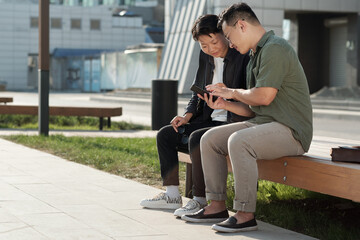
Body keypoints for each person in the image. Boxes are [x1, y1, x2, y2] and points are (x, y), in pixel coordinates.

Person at [181, 3, 313, 233]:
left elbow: (263, 96)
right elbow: (253, 109)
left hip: (291, 131)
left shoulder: (275, 48)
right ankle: (217, 205)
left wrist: (232, 91)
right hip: (263, 123)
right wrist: (225, 103)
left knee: (239, 141)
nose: (229, 44)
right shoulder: (254, 55)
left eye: (229, 36)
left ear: (241, 25)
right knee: (210, 139)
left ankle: (245, 214)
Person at [140, 14, 249, 217]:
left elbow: (249, 96)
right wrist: (186, 116)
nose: (210, 48)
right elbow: (197, 92)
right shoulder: (206, 57)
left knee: (198, 138)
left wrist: (228, 93)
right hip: (208, 119)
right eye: (204, 45)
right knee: (166, 134)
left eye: (214, 42)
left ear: (224, 35)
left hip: (232, 122)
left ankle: (199, 199)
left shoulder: (241, 57)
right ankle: (172, 195)